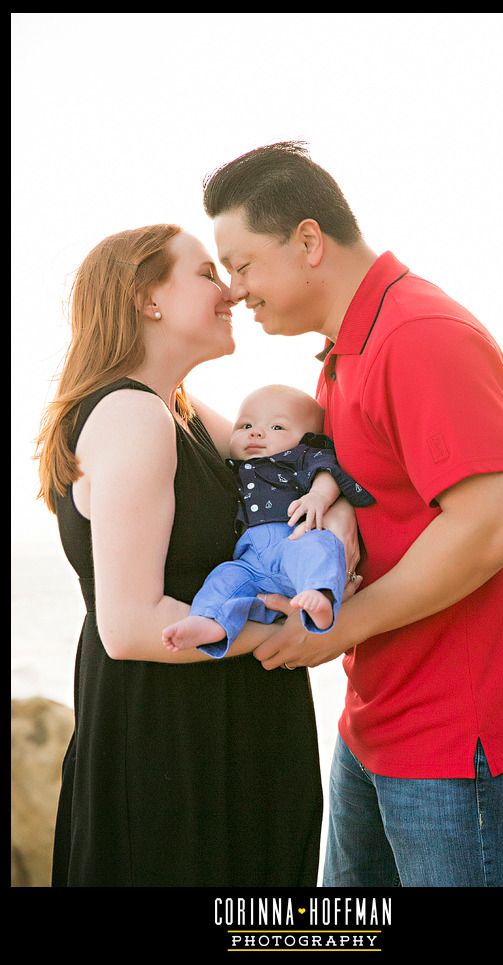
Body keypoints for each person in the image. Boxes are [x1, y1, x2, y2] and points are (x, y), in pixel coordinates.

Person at [201, 141, 503, 888]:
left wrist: (342, 625)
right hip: (383, 711)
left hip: (461, 738)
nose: (235, 290)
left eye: (243, 264)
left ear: (308, 241)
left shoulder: (418, 335)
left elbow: (491, 525)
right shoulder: (347, 350)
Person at [35, 223, 360, 887]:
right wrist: (288, 632)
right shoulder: (133, 417)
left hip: (221, 732)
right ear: (146, 298)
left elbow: (296, 459)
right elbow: (128, 627)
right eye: (208, 273)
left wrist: (339, 508)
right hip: (175, 746)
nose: (231, 292)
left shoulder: (177, 410)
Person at [161, 383, 374, 656]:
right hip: (251, 562)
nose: (256, 432)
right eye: (245, 425)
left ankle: (320, 596)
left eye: (277, 427)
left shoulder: (300, 457)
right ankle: (210, 621)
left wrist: (319, 496)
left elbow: (327, 471)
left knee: (318, 547)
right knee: (225, 577)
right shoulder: (231, 468)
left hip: (294, 542)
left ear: (308, 439)